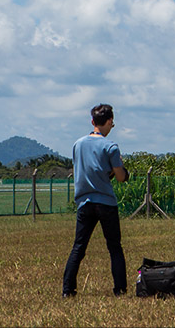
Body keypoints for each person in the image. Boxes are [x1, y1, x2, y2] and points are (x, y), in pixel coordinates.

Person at [63, 103, 129, 297]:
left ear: (92, 121)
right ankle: (120, 289)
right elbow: (119, 176)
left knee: (79, 247)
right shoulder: (110, 146)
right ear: (109, 121)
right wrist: (124, 173)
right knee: (114, 247)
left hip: (84, 202)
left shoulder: (78, 144)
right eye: (112, 124)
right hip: (106, 202)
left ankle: (68, 290)